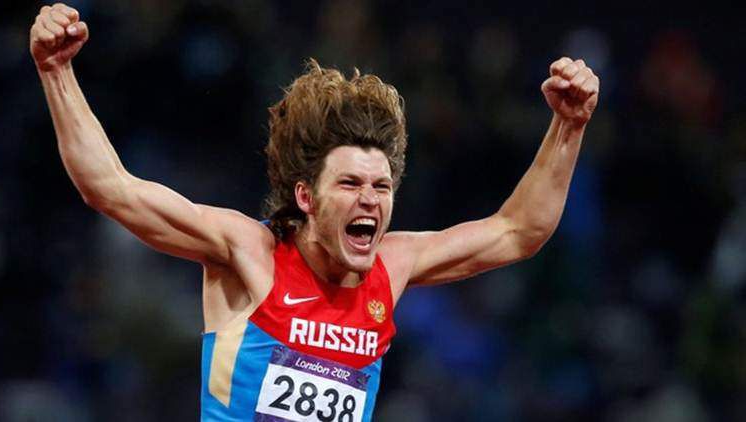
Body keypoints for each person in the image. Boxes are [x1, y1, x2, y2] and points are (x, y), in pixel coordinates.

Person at [30, 3, 599, 421]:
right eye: (350, 183)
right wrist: (57, 72)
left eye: (381, 186)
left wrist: (568, 126)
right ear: (306, 197)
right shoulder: (246, 253)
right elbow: (110, 188)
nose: (369, 199)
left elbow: (520, 230)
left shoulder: (392, 267)